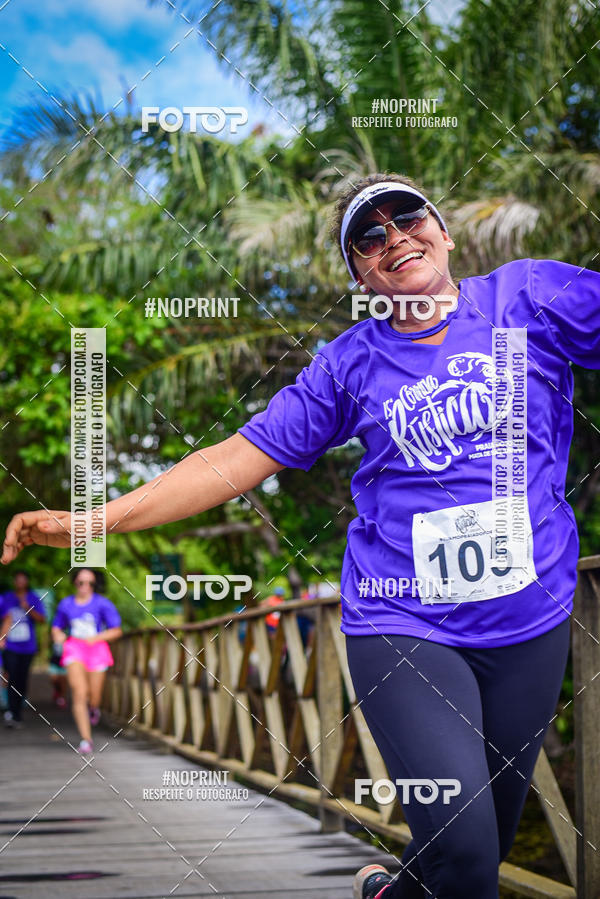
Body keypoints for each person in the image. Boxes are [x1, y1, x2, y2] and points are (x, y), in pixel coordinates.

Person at [1, 171, 599, 897]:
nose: (393, 238)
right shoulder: (349, 364)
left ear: (443, 231)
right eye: (368, 237)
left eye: (407, 217)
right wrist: (90, 522)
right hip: (405, 622)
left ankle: (388, 892)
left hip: (530, 623)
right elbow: (230, 462)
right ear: (360, 275)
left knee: (473, 854)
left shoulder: (529, 296)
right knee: (468, 854)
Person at [51, 569, 122, 754]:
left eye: (90, 583)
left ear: (95, 584)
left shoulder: (103, 603)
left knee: (94, 696)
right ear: (75, 583)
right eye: (81, 582)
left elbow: (116, 630)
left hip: (97, 650)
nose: (85, 587)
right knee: (79, 693)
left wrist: (97, 638)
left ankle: (94, 707)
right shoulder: (66, 604)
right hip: (74, 648)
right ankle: (86, 739)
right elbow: (56, 627)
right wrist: (58, 635)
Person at [0, 570, 46, 727]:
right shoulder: (7, 597)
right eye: (17, 579)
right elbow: (5, 618)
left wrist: (28, 608)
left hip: (27, 647)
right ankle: (11, 712)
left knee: (22, 679)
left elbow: (42, 619)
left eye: (23, 580)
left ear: (27, 582)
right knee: (11, 677)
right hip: (10, 646)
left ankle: (17, 711)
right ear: (14, 582)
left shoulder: (33, 598)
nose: (20, 582)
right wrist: (2, 637)